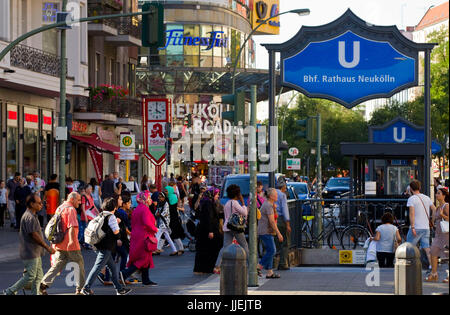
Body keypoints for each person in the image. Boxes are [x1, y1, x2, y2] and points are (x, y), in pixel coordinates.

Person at [2, 193, 55, 295]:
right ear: (32, 204)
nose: (41, 205)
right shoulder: (29, 217)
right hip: (30, 252)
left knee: (38, 276)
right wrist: (47, 247)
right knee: (30, 276)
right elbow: (34, 235)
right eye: (39, 203)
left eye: (41, 203)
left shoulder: (32, 215)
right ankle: (10, 291)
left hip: (35, 252)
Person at [81, 197, 132, 295]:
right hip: (106, 247)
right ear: (114, 207)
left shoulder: (101, 214)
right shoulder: (111, 217)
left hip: (98, 244)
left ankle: (119, 289)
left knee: (112, 268)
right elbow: (116, 233)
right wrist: (117, 223)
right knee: (97, 267)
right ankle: (86, 288)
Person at [40, 192, 86, 295]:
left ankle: (43, 284)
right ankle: (81, 289)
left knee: (58, 264)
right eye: (78, 200)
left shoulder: (60, 208)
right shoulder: (71, 209)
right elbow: (71, 227)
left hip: (59, 243)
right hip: (70, 244)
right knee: (79, 264)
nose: (79, 203)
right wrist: (72, 242)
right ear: (72, 199)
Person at [120, 191, 158, 286]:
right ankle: (125, 273)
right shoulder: (144, 209)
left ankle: (146, 279)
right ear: (144, 199)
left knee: (146, 258)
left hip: (137, 236)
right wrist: (155, 229)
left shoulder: (137, 209)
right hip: (144, 236)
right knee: (144, 258)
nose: (150, 199)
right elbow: (147, 223)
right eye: (148, 197)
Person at [214, 184, 249, 274]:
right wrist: (243, 203)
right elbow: (244, 213)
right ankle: (250, 264)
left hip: (227, 226)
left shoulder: (227, 203)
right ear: (237, 194)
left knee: (225, 247)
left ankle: (217, 266)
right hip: (236, 227)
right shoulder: (235, 203)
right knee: (245, 245)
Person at [406, 180, 436, 271]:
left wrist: (413, 226)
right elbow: (434, 209)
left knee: (409, 246)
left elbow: (412, 213)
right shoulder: (426, 198)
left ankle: (410, 265)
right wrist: (432, 221)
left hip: (416, 227)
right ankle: (431, 266)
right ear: (420, 188)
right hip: (426, 227)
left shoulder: (411, 199)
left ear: (411, 188)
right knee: (426, 247)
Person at [194, 188, 223, 274]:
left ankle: (202, 269)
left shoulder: (205, 202)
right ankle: (209, 268)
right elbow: (209, 217)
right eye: (216, 194)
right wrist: (211, 231)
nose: (218, 196)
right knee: (212, 249)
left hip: (203, 229)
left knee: (204, 250)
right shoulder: (208, 203)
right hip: (209, 229)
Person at [258, 188, 284, 278]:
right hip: (265, 231)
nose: (277, 196)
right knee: (272, 250)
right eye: (276, 194)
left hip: (267, 231)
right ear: (271, 196)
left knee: (270, 250)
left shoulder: (270, 205)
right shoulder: (268, 205)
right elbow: (272, 221)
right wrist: (279, 233)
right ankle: (259, 266)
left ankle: (270, 272)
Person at [425, 188, 449, 282]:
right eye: (436, 193)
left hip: (446, 234)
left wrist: (442, 215)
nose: (436, 195)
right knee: (433, 252)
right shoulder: (438, 207)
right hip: (439, 234)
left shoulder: (446, 206)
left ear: (444, 195)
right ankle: (434, 273)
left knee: (447, 256)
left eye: (438, 193)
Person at [154, 191, 178, 256]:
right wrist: (157, 214)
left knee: (158, 234)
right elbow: (156, 212)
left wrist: (159, 214)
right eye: (159, 197)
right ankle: (175, 250)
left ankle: (154, 248)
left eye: (161, 197)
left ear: (164, 197)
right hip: (161, 221)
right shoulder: (159, 204)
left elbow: (165, 212)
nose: (159, 198)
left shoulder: (166, 204)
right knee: (167, 237)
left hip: (165, 221)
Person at [274, 183, 291, 270]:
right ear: (283, 187)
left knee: (275, 241)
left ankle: (272, 262)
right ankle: (283, 263)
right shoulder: (282, 195)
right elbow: (285, 210)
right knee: (285, 243)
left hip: (272, 219)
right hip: (280, 220)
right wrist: (287, 224)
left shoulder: (271, 193)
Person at [166, 182, 185, 255]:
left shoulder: (172, 197)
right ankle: (178, 248)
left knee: (174, 233)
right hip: (171, 218)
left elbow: (172, 208)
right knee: (166, 234)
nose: (166, 192)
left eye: (167, 191)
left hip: (173, 218)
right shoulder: (170, 197)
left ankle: (180, 248)